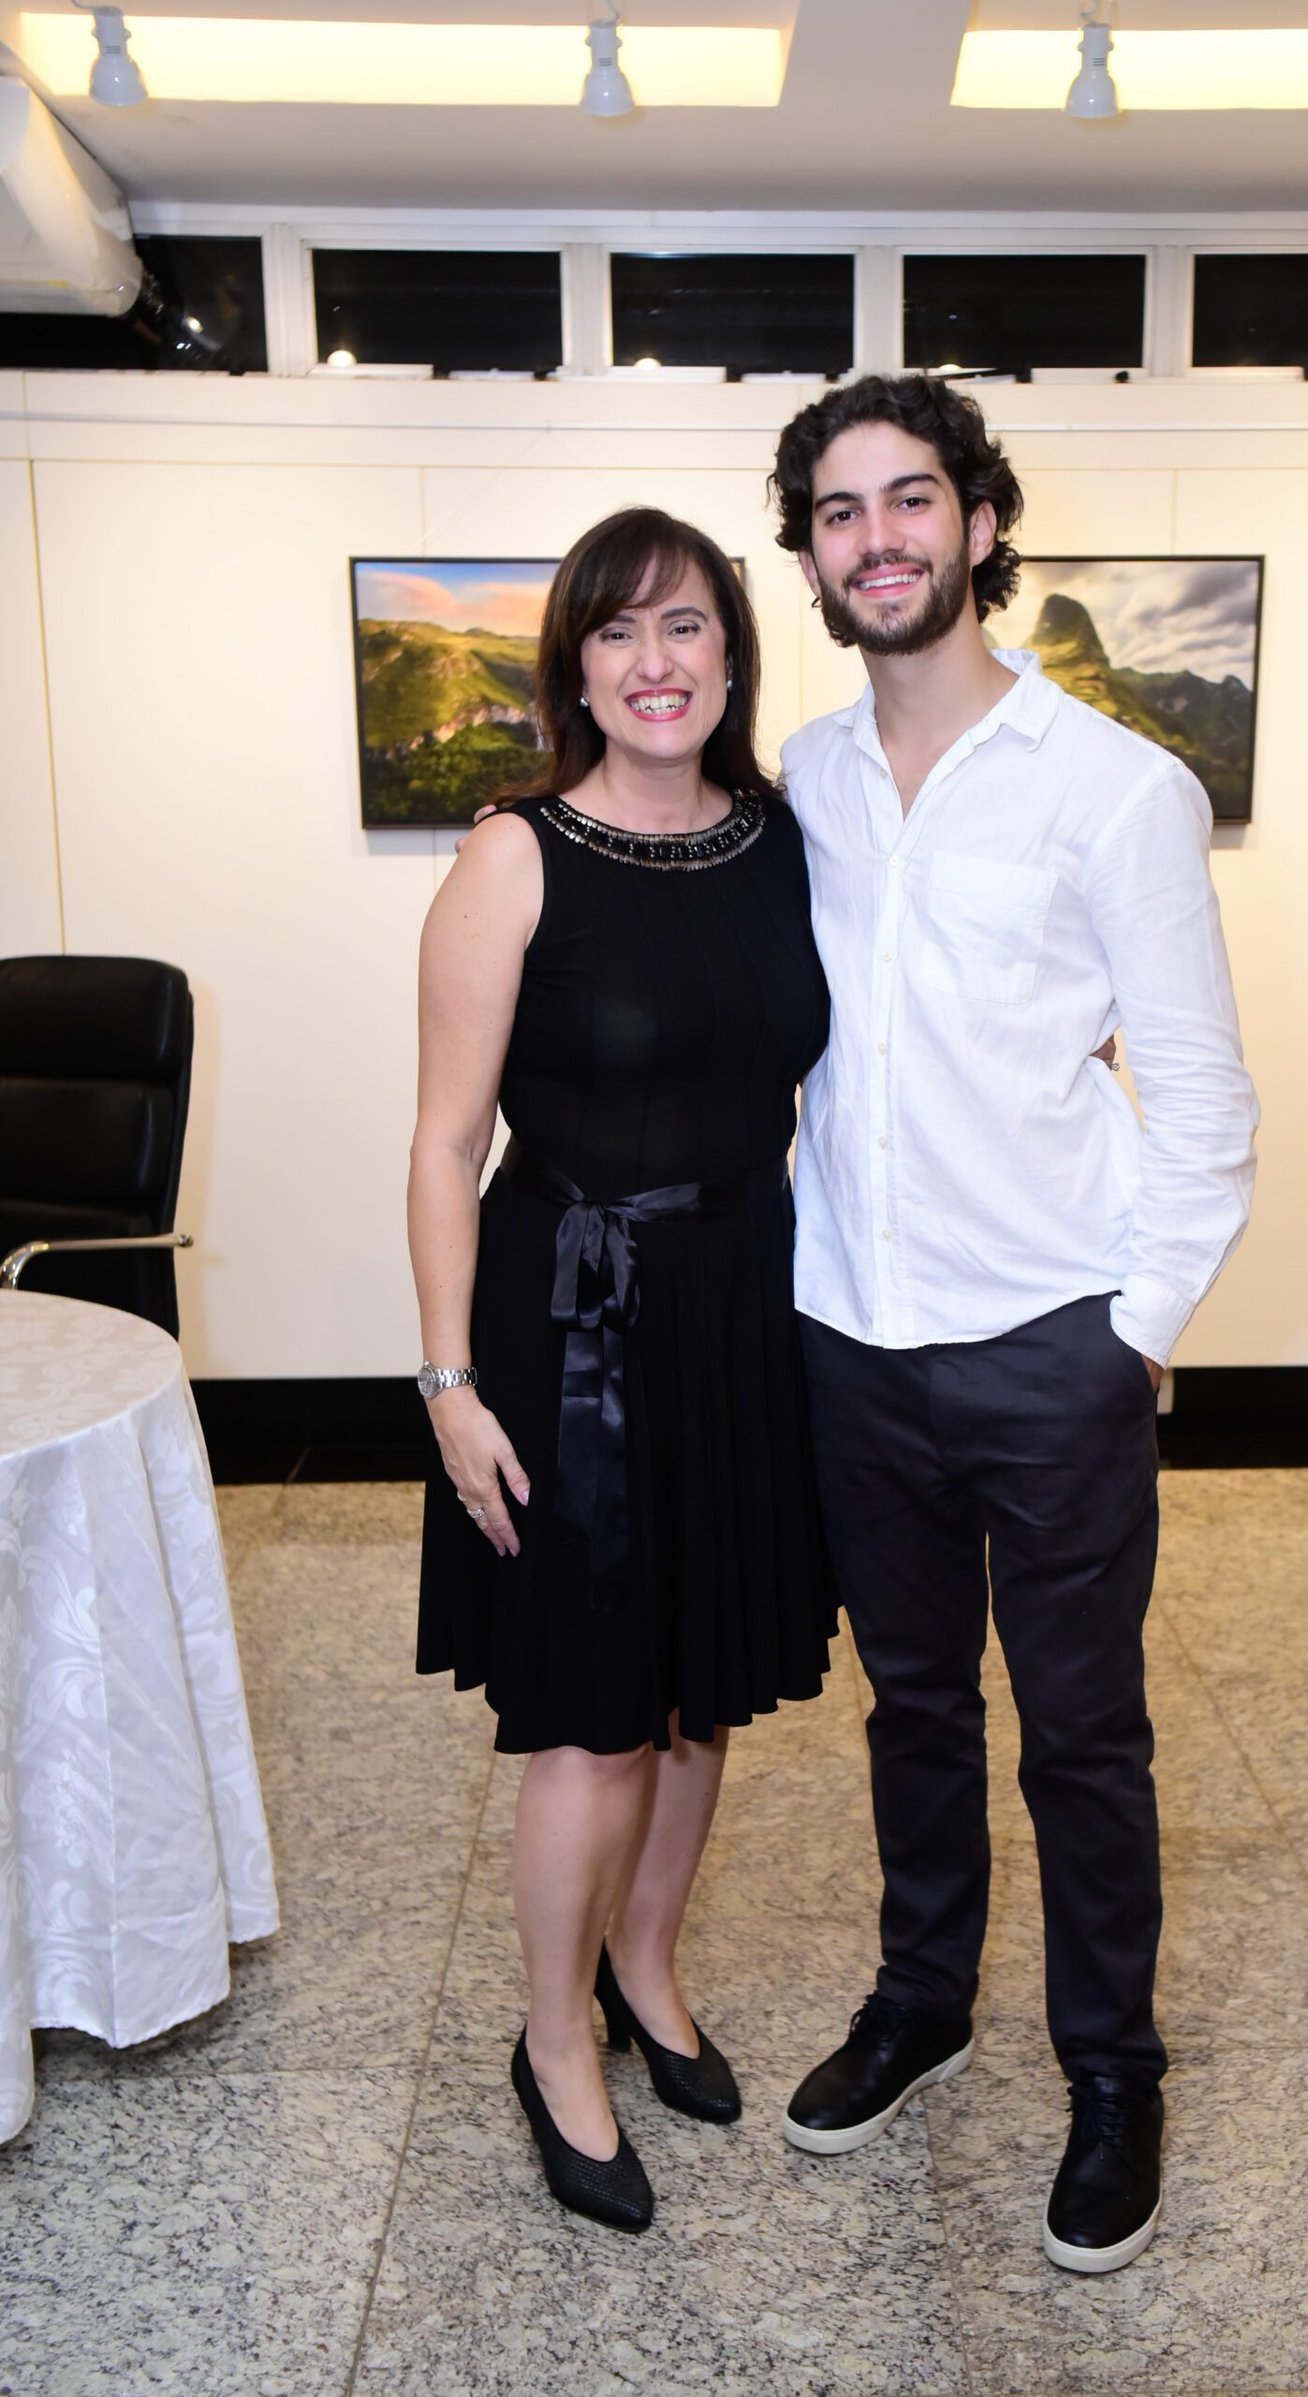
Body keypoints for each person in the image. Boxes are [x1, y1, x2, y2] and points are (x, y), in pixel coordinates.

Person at [768, 375, 1258, 2272]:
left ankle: (1114, 2068)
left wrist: (1133, 1329)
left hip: (1051, 1343)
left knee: (1083, 1734)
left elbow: (1202, 1090)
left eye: (912, 501)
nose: (877, 537)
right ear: (808, 553)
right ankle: (924, 1996)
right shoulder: (798, 781)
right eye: (837, 510)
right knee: (909, 1707)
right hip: (851, 1338)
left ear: (980, 525)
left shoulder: (1117, 788)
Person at [407, 507, 836, 2234]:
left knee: (698, 1688)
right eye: (619, 633)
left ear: (734, 652)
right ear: (574, 663)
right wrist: (447, 1384)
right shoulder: (515, 855)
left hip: (743, 1304)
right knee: (590, 1719)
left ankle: (649, 1969)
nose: (655, 664)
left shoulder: (786, 838)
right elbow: (442, 1145)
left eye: (688, 629)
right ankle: (554, 2037)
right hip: (568, 1314)